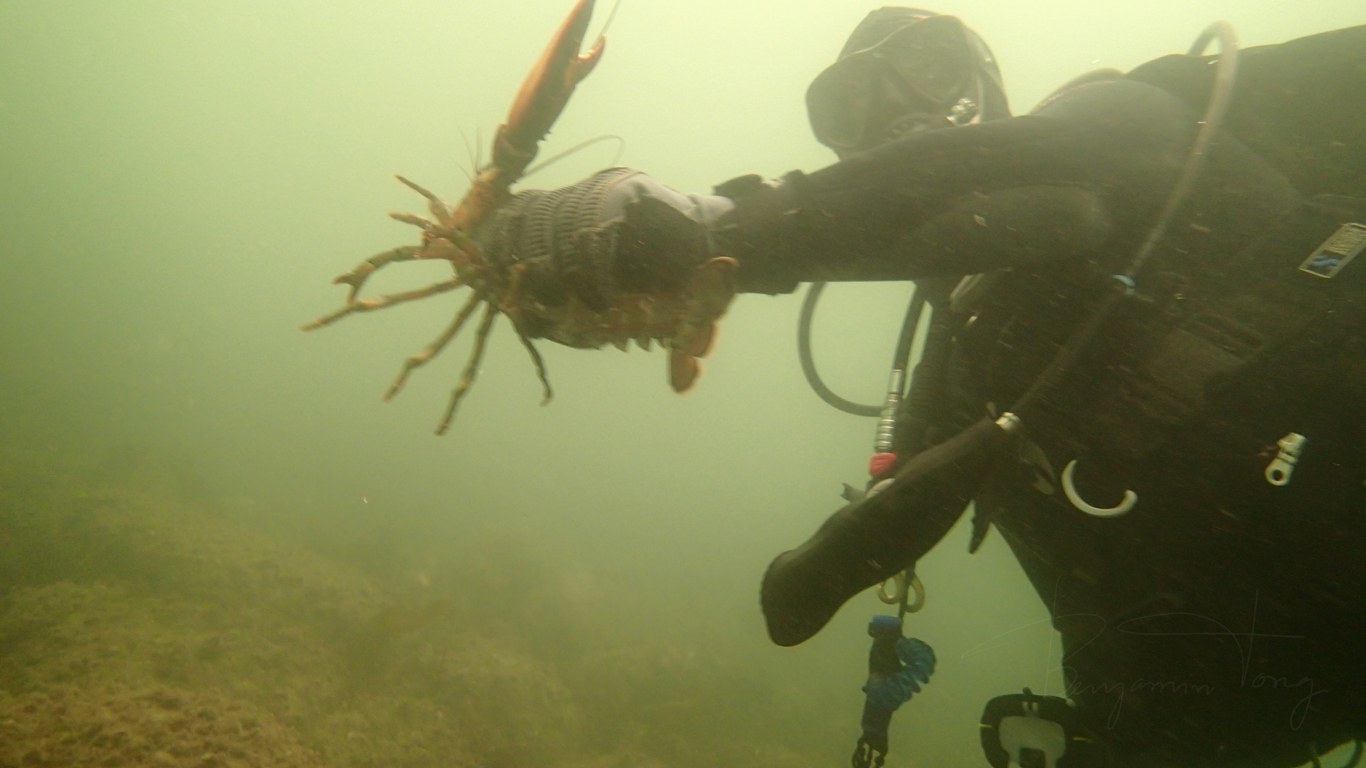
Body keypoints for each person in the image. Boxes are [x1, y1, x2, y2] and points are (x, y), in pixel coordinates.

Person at [473, 10, 1366, 767]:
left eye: (929, 67)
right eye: (847, 104)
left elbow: (1034, 179)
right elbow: (815, 591)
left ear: (987, 80)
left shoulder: (1136, 120)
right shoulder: (953, 368)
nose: (896, 109)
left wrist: (725, 228)